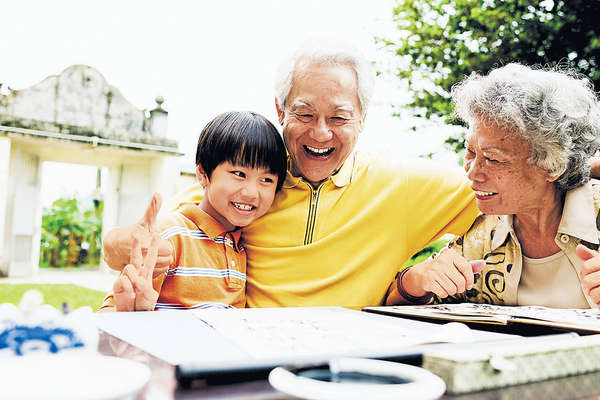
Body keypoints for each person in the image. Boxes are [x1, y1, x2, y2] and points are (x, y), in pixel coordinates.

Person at [102, 40, 481, 309]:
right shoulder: (249, 185)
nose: (320, 133)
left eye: (338, 117)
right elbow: (145, 237)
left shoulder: (403, 182)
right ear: (280, 111)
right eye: (304, 113)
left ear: (362, 118)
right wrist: (127, 248)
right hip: (252, 364)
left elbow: (502, 191)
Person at [386, 63, 600, 308]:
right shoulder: (482, 231)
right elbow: (396, 307)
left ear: (552, 166)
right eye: (470, 152)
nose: (473, 172)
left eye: (493, 159)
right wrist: (416, 280)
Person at [100, 111, 287, 311]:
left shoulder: (243, 244)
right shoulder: (169, 236)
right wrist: (130, 310)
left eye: (266, 180)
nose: (251, 193)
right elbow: (110, 312)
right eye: (239, 174)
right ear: (203, 174)